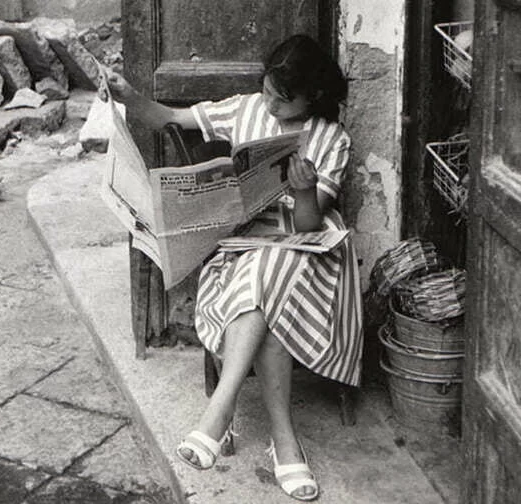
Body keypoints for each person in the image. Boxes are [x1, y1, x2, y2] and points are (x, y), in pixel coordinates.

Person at [105, 34, 362, 502]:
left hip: (308, 254)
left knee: (270, 272)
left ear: (314, 97)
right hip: (244, 243)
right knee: (261, 275)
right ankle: (285, 442)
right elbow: (169, 117)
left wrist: (304, 190)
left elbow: (307, 225)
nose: (270, 104)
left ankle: (218, 416)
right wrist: (129, 96)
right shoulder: (245, 108)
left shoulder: (332, 140)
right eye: (266, 91)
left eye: (283, 101)